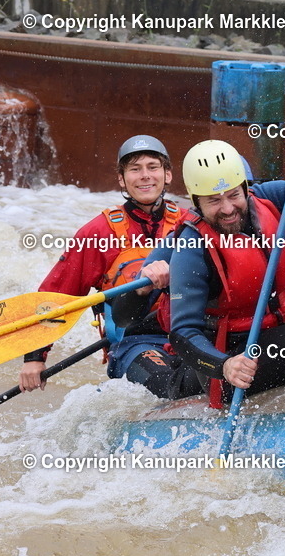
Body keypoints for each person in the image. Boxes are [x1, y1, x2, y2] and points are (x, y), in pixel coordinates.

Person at [18, 135, 201, 400]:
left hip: (192, 333)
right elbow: (56, 295)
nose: (145, 176)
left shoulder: (191, 223)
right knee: (170, 384)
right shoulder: (98, 233)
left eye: (153, 167)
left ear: (168, 174)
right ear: (122, 179)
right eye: (135, 169)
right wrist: (34, 358)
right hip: (136, 343)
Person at [158, 135, 285, 406]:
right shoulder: (191, 248)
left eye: (233, 195)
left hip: (274, 335)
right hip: (232, 364)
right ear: (196, 202)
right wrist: (225, 365)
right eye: (213, 201)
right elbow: (183, 333)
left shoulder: (268, 199)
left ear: (245, 188)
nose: (228, 209)